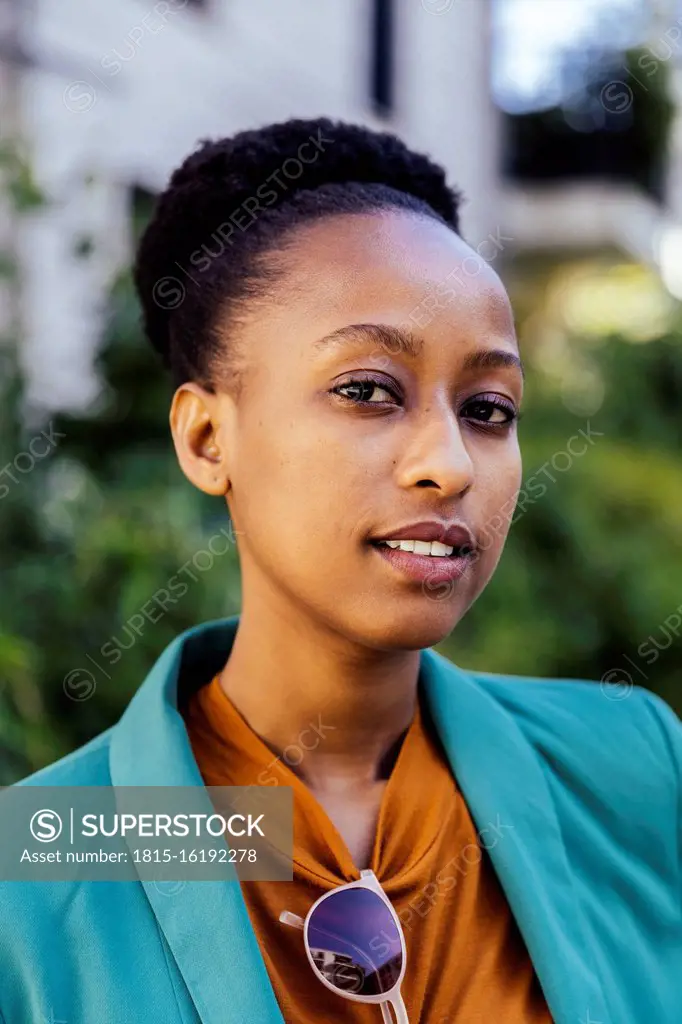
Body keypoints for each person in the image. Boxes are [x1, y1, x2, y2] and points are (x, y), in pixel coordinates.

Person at [1, 117, 680, 1024]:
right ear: (208, 438)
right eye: (366, 390)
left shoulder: (633, 767)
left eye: (488, 408)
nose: (450, 464)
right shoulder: (45, 856)